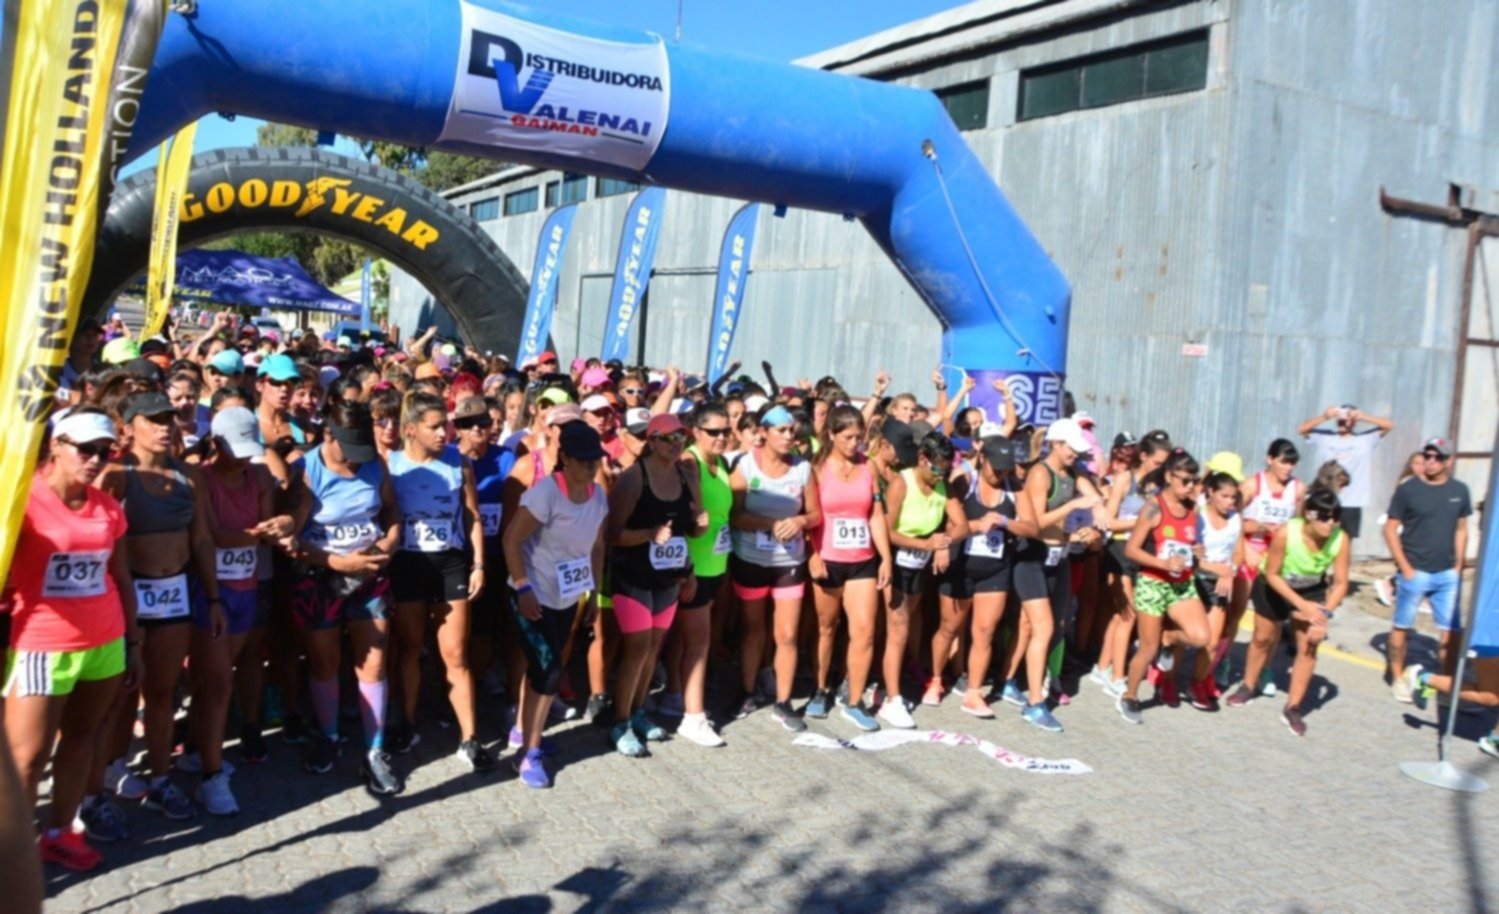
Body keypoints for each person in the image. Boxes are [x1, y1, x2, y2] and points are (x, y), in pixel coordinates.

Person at [3, 410, 140, 871]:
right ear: (55, 446)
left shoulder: (107, 506)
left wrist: (133, 643)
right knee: (26, 759)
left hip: (104, 641)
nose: (97, 459)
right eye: (87, 449)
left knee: (82, 739)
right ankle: (13, 851)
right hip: (41, 644)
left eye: (105, 451)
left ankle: (60, 831)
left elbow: (120, 577)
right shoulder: (21, 500)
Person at [96, 391, 225, 819]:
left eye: (168, 418)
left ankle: (160, 779)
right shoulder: (114, 476)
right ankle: (103, 779)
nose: (164, 426)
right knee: (117, 695)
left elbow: (202, 539)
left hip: (174, 595)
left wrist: (212, 596)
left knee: (163, 692)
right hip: (127, 595)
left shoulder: (189, 476)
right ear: (129, 427)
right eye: (153, 419)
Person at [285, 399, 404, 795]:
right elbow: (292, 542)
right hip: (320, 577)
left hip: (370, 574)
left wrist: (390, 540)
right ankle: (330, 737)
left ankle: (374, 752)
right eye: (349, 453)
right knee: (325, 662)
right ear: (327, 435)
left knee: (374, 662)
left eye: (362, 453)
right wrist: (336, 563)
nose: (356, 463)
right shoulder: (307, 471)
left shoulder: (375, 464)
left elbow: (390, 512)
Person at [188, 408, 291, 813]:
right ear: (215, 444)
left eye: (250, 451)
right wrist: (260, 535)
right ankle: (211, 779)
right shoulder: (201, 477)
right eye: (236, 451)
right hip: (209, 590)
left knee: (217, 678)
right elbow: (210, 534)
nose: (245, 460)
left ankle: (199, 749)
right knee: (216, 684)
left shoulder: (260, 475)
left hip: (247, 587)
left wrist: (280, 524)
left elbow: (268, 527)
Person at [386, 392, 493, 771]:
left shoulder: (458, 463)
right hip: (408, 564)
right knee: (410, 647)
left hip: (450, 563)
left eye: (445, 425)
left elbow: (472, 516)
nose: (444, 433)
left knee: (455, 654)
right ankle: (408, 722)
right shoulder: (393, 465)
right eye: (434, 427)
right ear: (411, 430)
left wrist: (478, 564)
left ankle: (470, 738)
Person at [502, 422, 610, 788]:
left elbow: (596, 547)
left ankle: (524, 731)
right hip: (534, 595)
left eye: (595, 459)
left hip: (569, 594)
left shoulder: (597, 495)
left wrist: (594, 593)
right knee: (547, 672)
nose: (591, 466)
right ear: (564, 457)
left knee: (547, 668)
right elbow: (511, 540)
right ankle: (528, 753)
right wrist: (523, 588)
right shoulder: (545, 494)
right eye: (583, 460)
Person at [604, 414, 703, 756]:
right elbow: (611, 533)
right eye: (669, 439)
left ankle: (638, 711)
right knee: (638, 647)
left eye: (682, 439)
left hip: (669, 576)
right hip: (632, 574)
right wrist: (647, 534)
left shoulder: (687, 475)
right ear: (653, 439)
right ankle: (619, 722)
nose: (676, 445)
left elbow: (691, 531)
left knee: (654, 647)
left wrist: (690, 569)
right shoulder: (634, 479)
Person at [1002, 419, 1102, 733]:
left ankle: (1006, 681)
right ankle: (1035, 703)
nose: (1077, 454)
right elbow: (1036, 522)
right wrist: (1073, 505)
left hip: (1059, 558)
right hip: (1032, 556)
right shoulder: (1039, 474)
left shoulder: (1074, 473)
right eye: (1073, 448)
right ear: (1056, 444)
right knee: (1043, 628)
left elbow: (1100, 507)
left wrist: (1093, 529)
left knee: (1038, 625)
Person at [1227, 489, 1350, 735]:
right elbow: (1272, 574)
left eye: (1335, 518)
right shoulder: (1287, 532)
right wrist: (1299, 604)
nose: (1331, 524)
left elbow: (1341, 583)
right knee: (1263, 638)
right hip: (1274, 584)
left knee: (1309, 646)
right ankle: (1249, 685)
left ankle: (1293, 707)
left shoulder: (1341, 538)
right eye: (1325, 518)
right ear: (1309, 516)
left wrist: (1323, 616)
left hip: (1311, 588)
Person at [729, 405, 822, 731]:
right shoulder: (745, 465)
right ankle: (746, 691)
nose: (788, 436)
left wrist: (798, 521)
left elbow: (815, 515)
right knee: (753, 630)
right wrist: (769, 523)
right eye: (781, 430)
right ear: (764, 432)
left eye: (792, 431)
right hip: (751, 559)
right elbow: (734, 515)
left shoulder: (803, 469)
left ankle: (783, 702)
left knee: (787, 634)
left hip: (788, 562)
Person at [807, 406, 892, 731]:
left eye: (860, 436)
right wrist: (812, 553)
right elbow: (809, 513)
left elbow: (875, 514)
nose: (855, 443)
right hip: (827, 558)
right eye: (848, 437)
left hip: (862, 561)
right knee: (826, 628)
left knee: (864, 631)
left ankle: (854, 700)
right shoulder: (817, 467)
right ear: (831, 434)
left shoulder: (868, 466)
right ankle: (820, 689)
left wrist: (885, 557)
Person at [1117, 450, 1212, 725]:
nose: (1190, 487)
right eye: (1185, 481)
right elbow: (1132, 550)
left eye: (1194, 481)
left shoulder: (1193, 511)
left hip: (1181, 584)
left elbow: (1190, 550)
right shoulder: (1153, 508)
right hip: (1153, 583)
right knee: (1147, 649)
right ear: (1169, 477)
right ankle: (1130, 695)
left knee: (1201, 637)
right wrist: (1162, 562)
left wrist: (1197, 552)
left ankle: (1169, 640)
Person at [948, 437, 1039, 719]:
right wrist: (971, 526)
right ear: (982, 458)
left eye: (1005, 469)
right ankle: (939, 678)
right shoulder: (965, 480)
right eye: (995, 468)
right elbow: (948, 519)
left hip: (996, 567)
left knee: (984, 631)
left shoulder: (1015, 487)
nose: (999, 474)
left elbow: (1032, 527)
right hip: (962, 563)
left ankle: (974, 692)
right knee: (950, 628)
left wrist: (1004, 522)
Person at [882, 431, 966, 728]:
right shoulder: (900, 483)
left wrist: (942, 541)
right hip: (894, 561)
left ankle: (890, 682)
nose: (939, 475)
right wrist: (926, 545)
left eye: (945, 469)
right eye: (936, 468)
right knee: (898, 628)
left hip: (919, 563)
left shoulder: (942, 486)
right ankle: (892, 700)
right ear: (922, 459)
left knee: (908, 622)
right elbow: (887, 531)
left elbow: (962, 525)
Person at [666, 403, 734, 746]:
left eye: (726, 431)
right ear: (696, 431)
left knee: (688, 640)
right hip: (691, 568)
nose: (722, 437)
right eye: (714, 432)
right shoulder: (690, 463)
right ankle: (693, 717)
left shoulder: (720, 463)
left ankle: (674, 697)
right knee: (698, 642)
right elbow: (685, 522)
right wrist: (687, 571)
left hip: (714, 566)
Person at [1385, 437, 1472, 701]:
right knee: (1402, 626)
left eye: (1438, 457)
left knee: (1452, 632)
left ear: (1450, 461)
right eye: (1428, 455)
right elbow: (1390, 528)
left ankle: (1446, 686)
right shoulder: (1409, 489)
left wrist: (1458, 564)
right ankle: (1398, 677)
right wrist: (1405, 567)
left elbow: (1461, 528)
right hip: (1415, 571)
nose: (1431, 461)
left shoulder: (1460, 490)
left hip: (1447, 573)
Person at [453, 396, 515, 718]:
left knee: (487, 625)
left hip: (495, 553)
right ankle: (451, 688)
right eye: (467, 423)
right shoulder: (448, 459)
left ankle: (479, 678)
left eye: (483, 421)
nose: (477, 428)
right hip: (454, 555)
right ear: (457, 428)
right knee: (453, 631)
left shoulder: (506, 459)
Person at [1186, 470, 1245, 711]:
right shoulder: (1197, 516)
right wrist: (1216, 568)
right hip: (1194, 579)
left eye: (1233, 497)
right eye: (1225, 496)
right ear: (1211, 493)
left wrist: (1229, 572)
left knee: (1210, 642)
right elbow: (1189, 555)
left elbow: (1238, 553)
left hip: (1219, 584)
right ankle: (1166, 679)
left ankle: (1197, 683)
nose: (1230, 502)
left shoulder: (1236, 519)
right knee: (1186, 637)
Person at [1297, 404, 1393, 539]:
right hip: (1325, 500)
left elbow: (1389, 425)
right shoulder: (1325, 438)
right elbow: (1302, 429)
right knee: (1319, 538)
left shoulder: (1364, 440)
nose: (1344, 422)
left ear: (1354, 422)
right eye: (1341, 418)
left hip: (1352, 501)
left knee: (1345, 542)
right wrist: (1325, 417)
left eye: (1348, 418)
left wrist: (1363, 416)